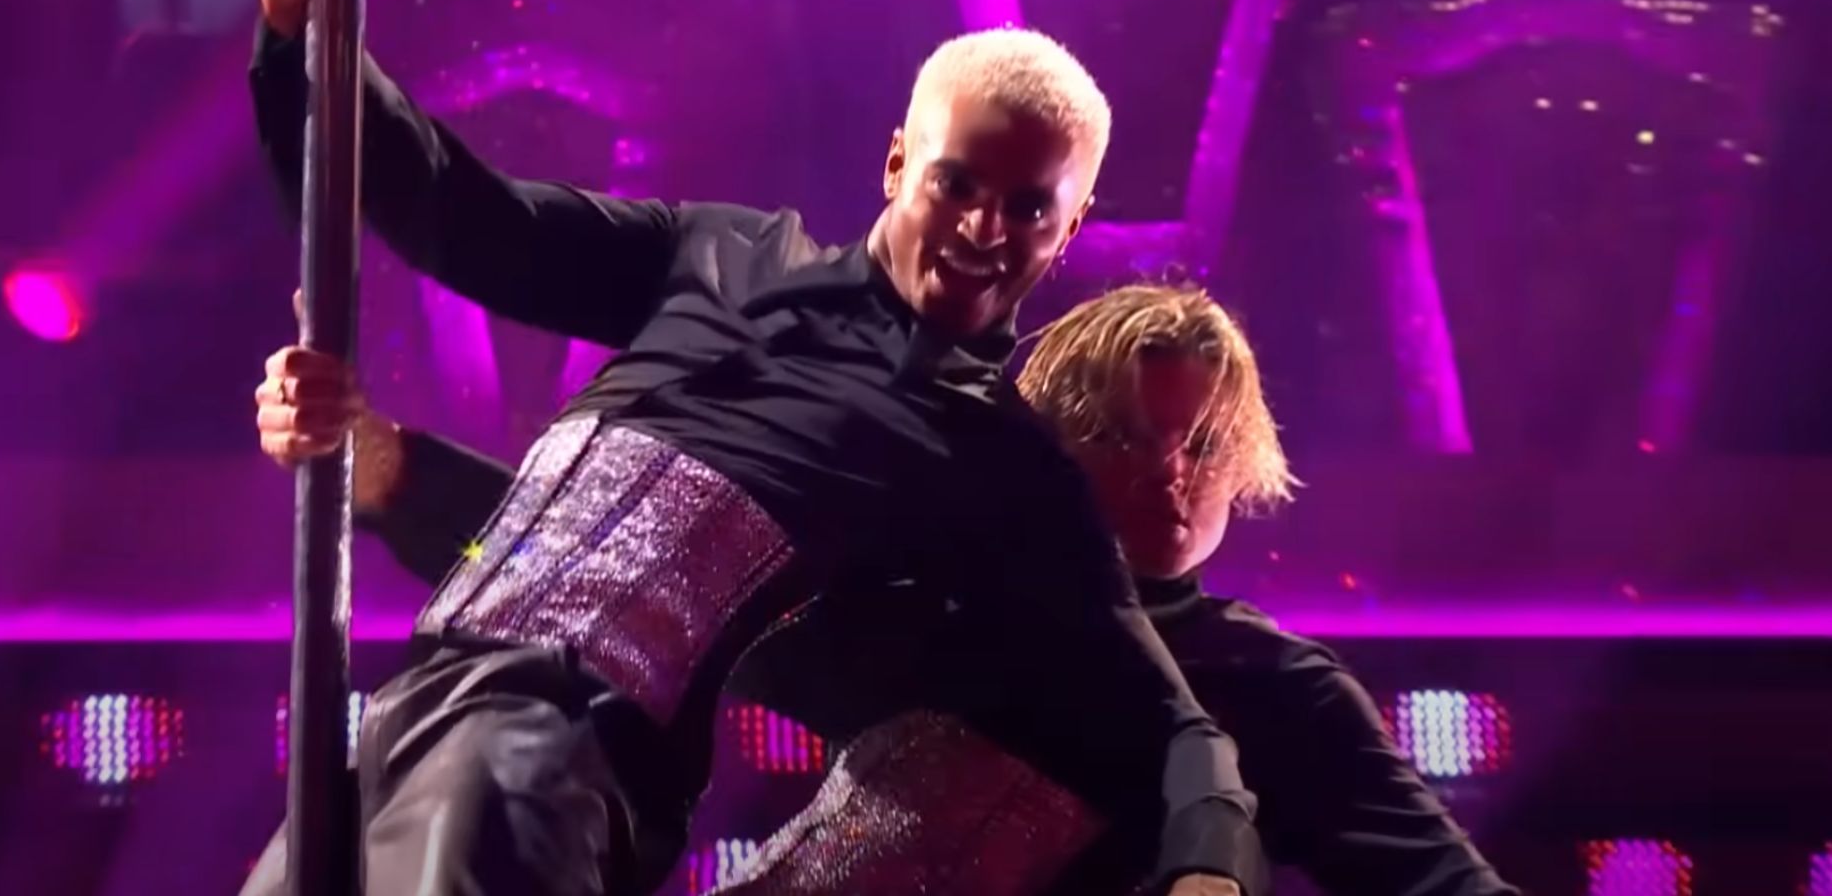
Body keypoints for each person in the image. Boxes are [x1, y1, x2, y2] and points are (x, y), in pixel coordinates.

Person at [245, 0, 1256, 895]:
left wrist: (1209, 873)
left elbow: (1166, 722)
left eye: (1026, 208)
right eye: (956, 184)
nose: (982, 229)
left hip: (559, 756)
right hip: (414, 707)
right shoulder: (721, 253)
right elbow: (459, 215)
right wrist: (293, 23)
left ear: (1072, 223)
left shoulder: (999, 459)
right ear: (898, 161)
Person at [266, 284, 1518, 895]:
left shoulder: (1275, 691)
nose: (1173, 477)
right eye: (1134, 437)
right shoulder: (938, 617)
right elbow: (611, 576)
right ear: (1051, 449)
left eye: (1200, 445)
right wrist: (381, 465)